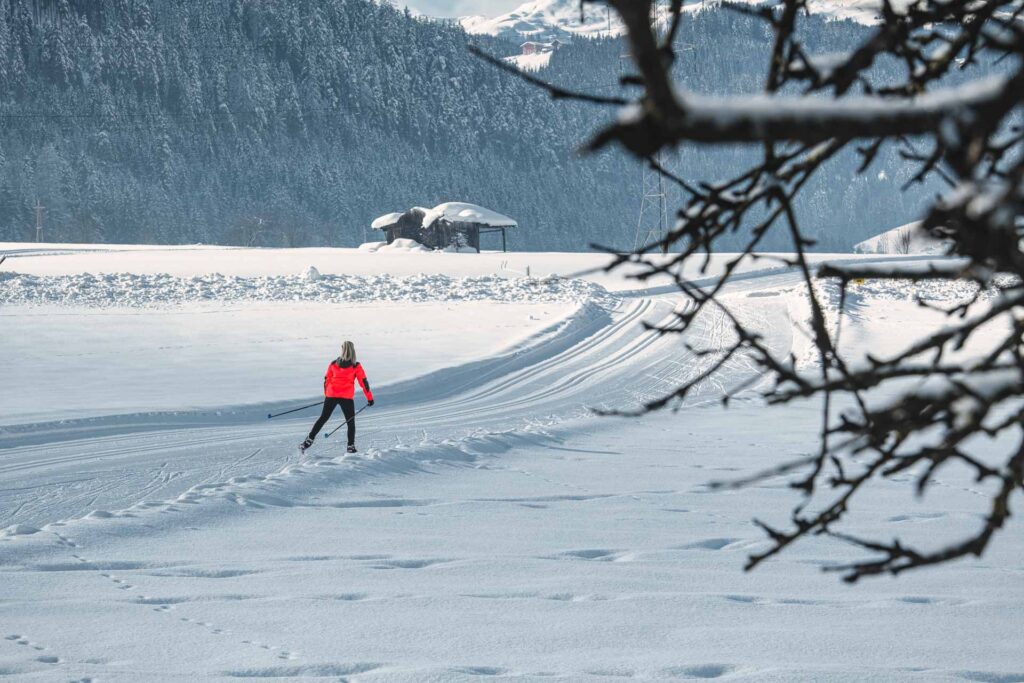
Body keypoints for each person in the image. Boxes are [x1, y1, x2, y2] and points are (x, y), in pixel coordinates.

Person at [300, 341, 374, 454]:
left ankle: (309, 440)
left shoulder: (334, 363)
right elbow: (364, 383)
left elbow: (327, 379)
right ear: (353, 351)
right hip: (346, 397)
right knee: (350, 422)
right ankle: (350, 446)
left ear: (342, 350)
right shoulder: (356, 366)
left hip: (331, 395)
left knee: (323, 418)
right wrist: (369, 398)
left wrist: (327, 394)